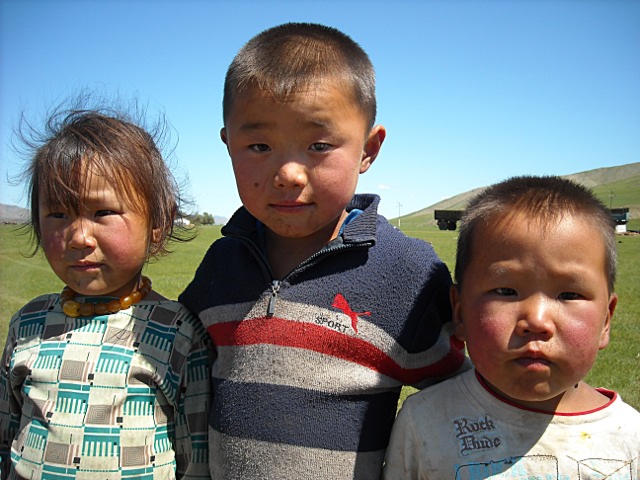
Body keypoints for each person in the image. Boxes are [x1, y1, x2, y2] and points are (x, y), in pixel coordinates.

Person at [179, 22, 469, 479]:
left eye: (318, 145)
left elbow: (463, 393)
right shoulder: (221, 264)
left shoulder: (405, 273)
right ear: (228, 145)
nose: (289, 173)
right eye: (259, 146)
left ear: (368, 151)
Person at [0, 105, 211, 479]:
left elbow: (195, 459)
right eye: (58, 215)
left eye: (102, 213)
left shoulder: (177, 332)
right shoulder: (27, 324)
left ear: (158, 224)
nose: (79, 237)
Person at [382, 175, 640, 479]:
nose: (537, 321)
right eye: (506, 292)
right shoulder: (423, 421)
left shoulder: (630, 440)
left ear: (606, 321)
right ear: (460, 313)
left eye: (569, 294)